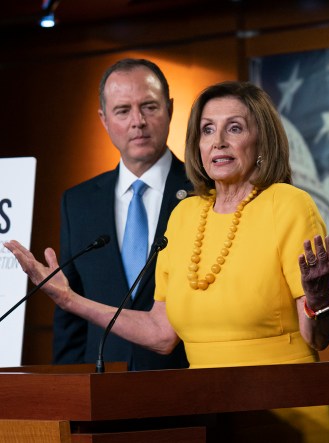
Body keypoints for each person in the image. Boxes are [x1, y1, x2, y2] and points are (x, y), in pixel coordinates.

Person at [5, 81, 329, 442]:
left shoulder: (290, 206)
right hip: (206, 413)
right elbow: (161, 333)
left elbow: (319, 337)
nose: (218, 141)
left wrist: (316, 300)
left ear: (262, 141)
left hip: (284, 413)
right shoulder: (185, 214)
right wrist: (70, 299)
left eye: (234, 128)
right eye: (207, 129)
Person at [54, 58, 189, 370]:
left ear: (169, 108)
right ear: (104, 119)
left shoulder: (204, 193)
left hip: (185, 386)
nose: (137, 121)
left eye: (150, 107)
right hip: (101, 391)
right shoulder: (78, 202)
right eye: (123, 110)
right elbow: (69, 315)